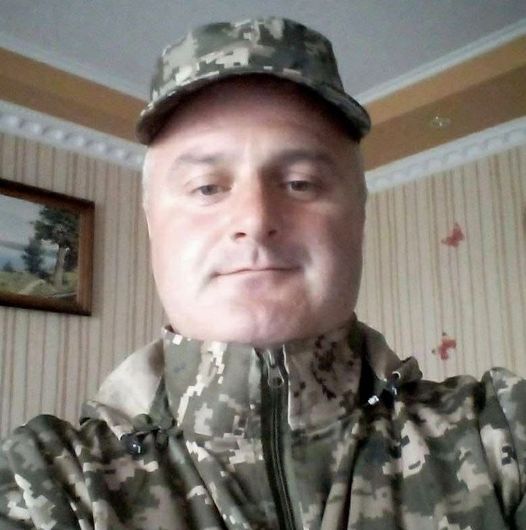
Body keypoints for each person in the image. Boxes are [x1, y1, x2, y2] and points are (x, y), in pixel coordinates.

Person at [0, 16, 525, 530]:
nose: (254, 219)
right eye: (208, 187)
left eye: (300, 182)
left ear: (358, 217)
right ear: (153, 225)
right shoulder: (46, 485)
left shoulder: (501, 435)